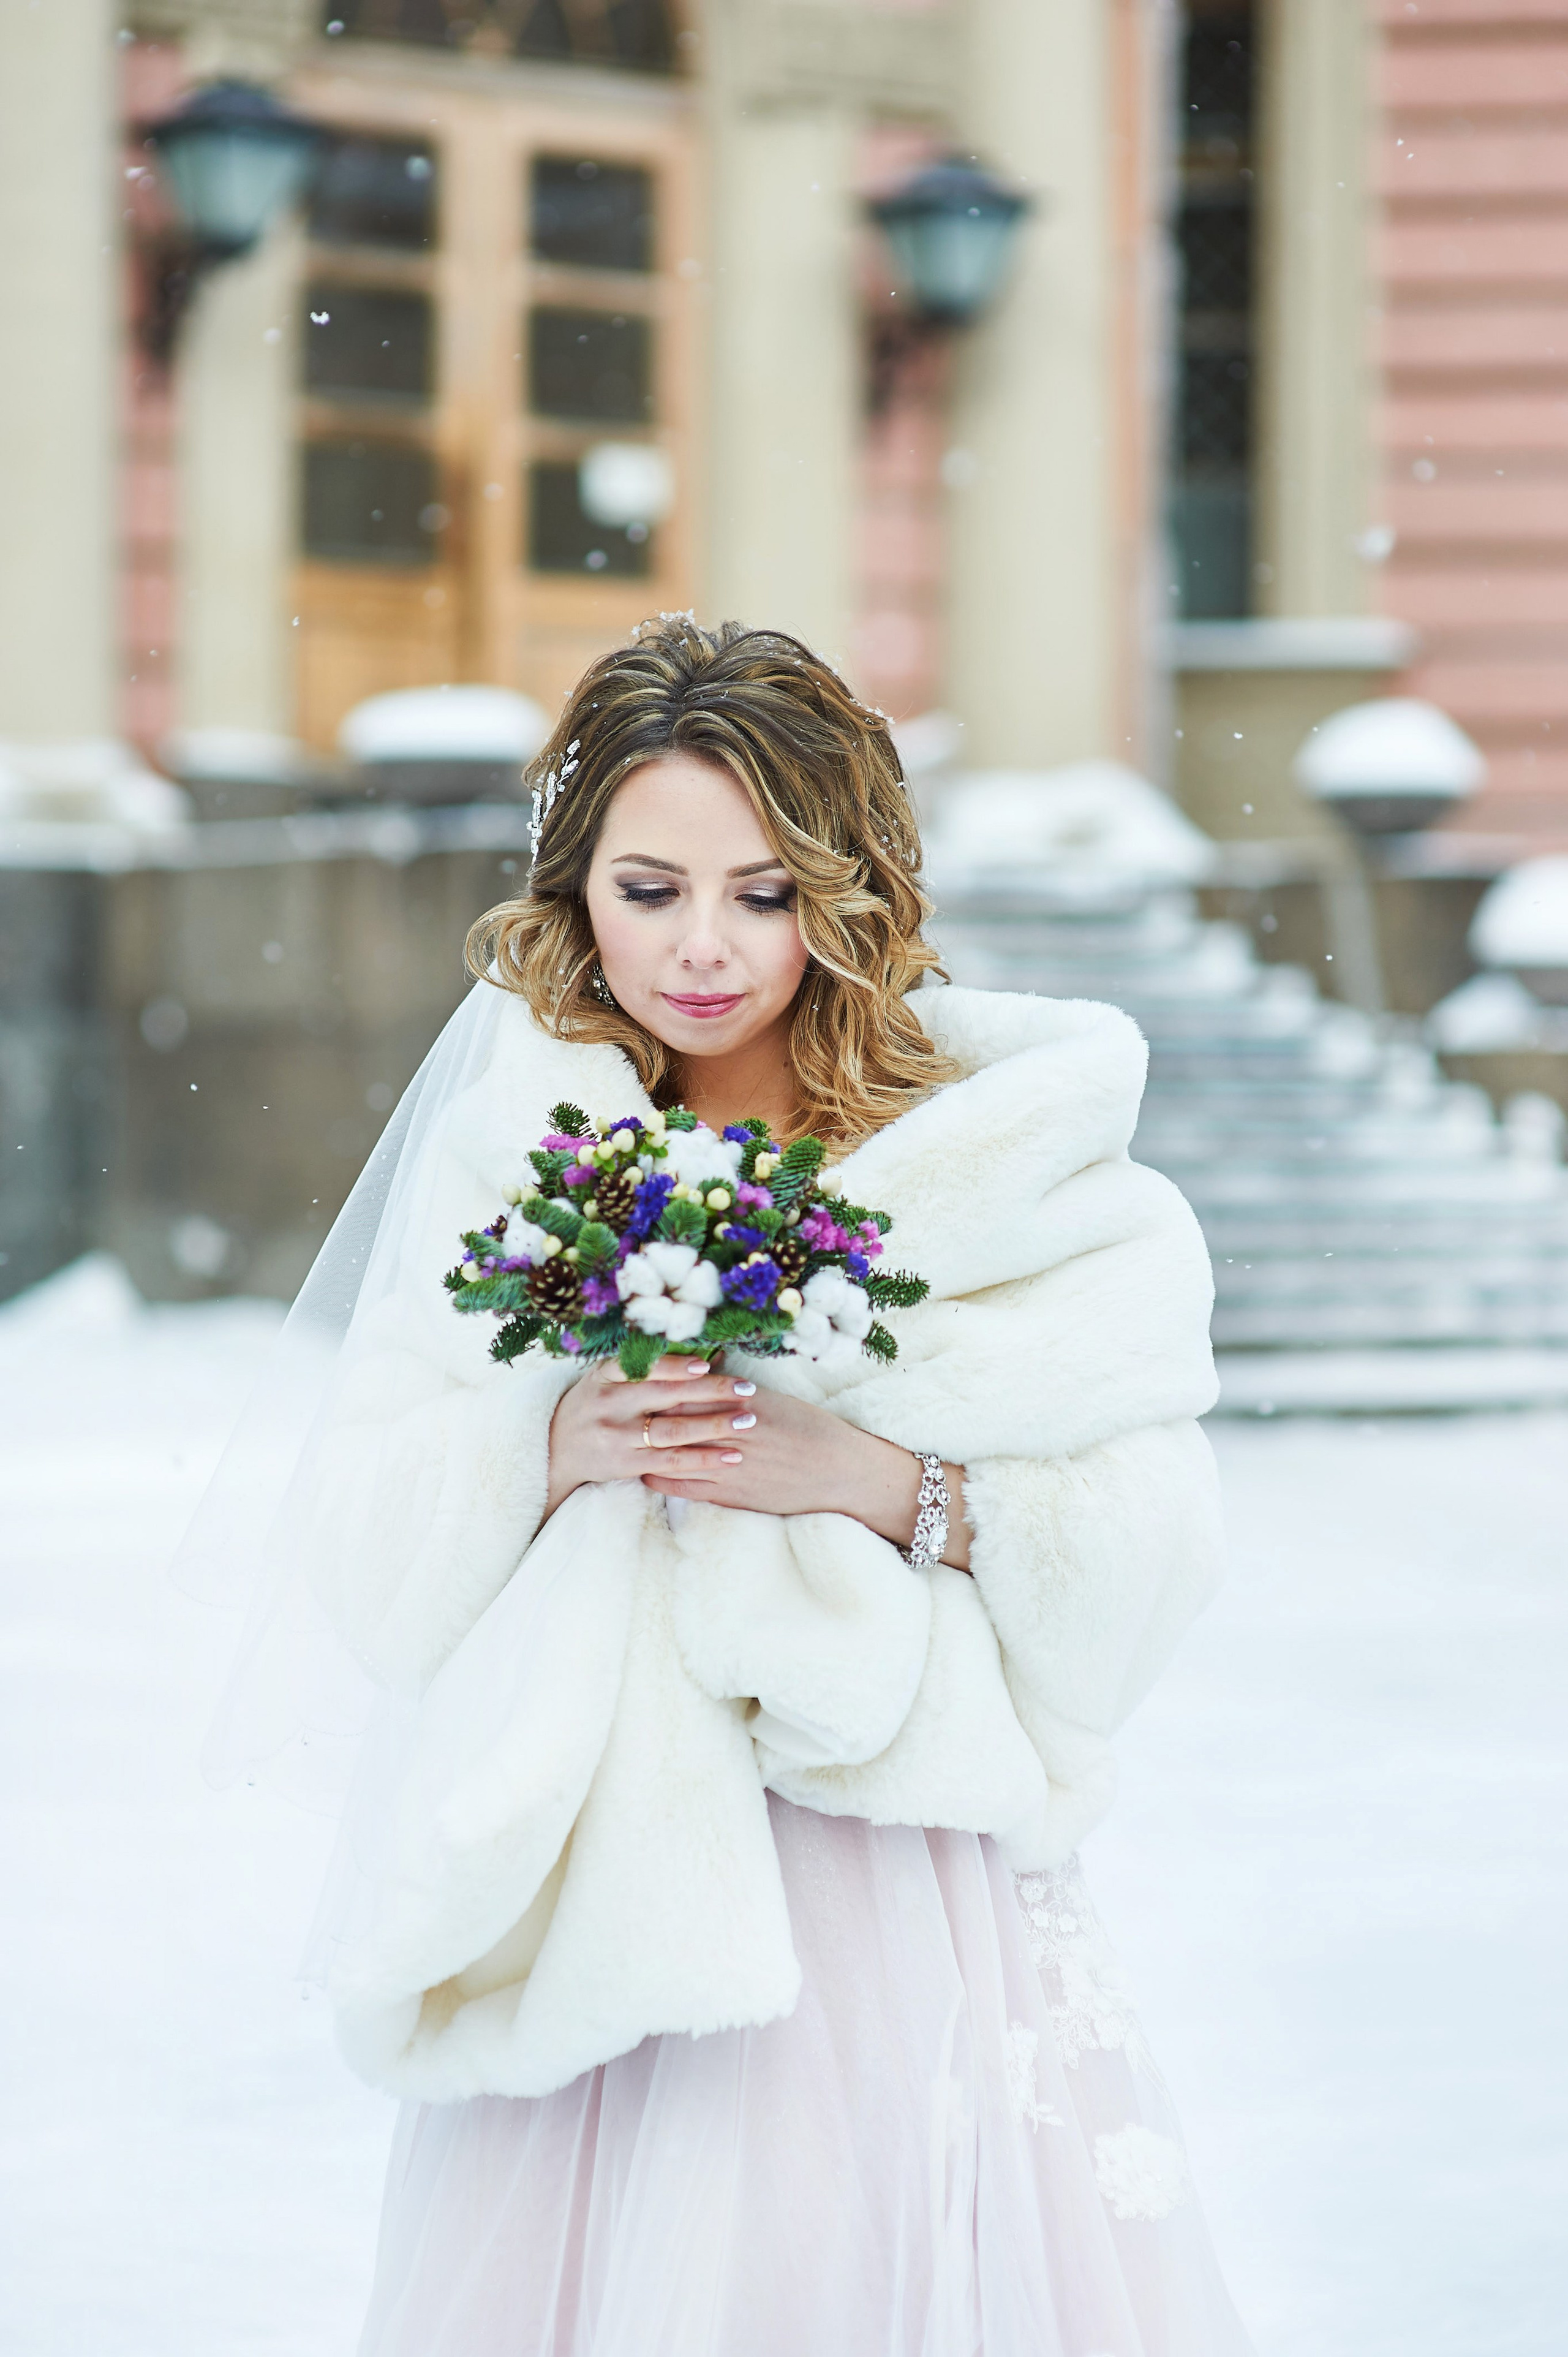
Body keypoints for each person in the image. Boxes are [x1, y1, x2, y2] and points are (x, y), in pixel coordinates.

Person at [203, 617, 1253, 2353]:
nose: (702, 948)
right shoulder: (515, 1156)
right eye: (650, 887)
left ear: (847, 892)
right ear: (574, 889)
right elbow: (372, 1546)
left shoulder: (1013, 1167)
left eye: (764, 892)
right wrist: (542, 1451)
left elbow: (1156, 1554)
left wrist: (886, 1482)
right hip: (596, 1869)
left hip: (890, 1884)